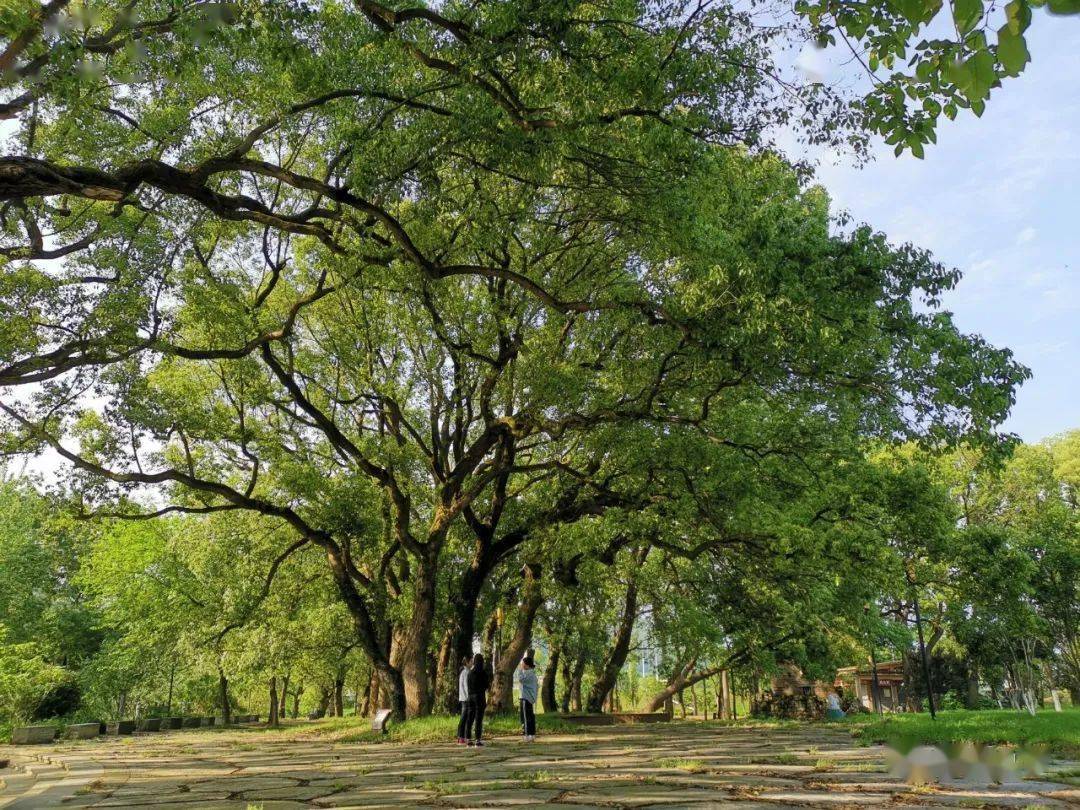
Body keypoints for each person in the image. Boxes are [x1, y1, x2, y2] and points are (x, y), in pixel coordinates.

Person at [465, 652, 489, 746]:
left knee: (470, 718)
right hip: (480, 697)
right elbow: (486, 685)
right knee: (479, 719)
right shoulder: (483, 673)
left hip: (470, 697)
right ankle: (478, 740)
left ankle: (468, 739)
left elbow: (468, 685)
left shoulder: (470, 673)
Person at [516, 655, 538, 741]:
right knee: (530, 716)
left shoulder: (528, 673)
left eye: (523, 664)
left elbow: (521, 679)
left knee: (525, 717)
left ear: (527, 665)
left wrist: (519, 670)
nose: (522, 665)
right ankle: (531, 734)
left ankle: (526, 735)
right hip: (529, 698)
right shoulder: (532, 673)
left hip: (525, 697)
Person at [456, 655, 471, 744]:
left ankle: (463, 736)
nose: (472, 663)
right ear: (467, 662)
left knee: (465, 717)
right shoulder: (465, 672)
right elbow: (466, 686)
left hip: (464, 698)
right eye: (471, 661)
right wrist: (469, 697)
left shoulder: (466, 671)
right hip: (465, 699)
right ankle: (460, 736)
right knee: (464, 717)